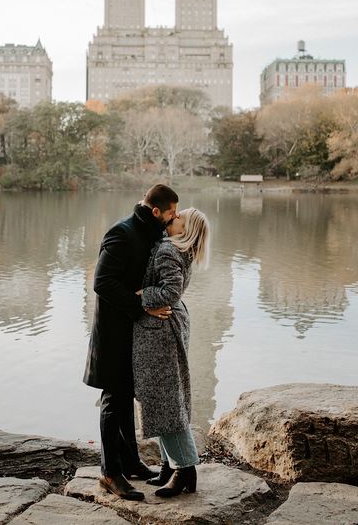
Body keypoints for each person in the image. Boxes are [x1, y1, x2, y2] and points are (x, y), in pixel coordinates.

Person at [83, 184, 179, 501]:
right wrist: (142, 306)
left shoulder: (153, 234)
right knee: (114, 399)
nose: (174, 218)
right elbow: (101, 282)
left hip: (133, 330)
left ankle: (131, 462)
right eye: (171, 213)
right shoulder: (121, 233)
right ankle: (110, 474)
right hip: (112, 332)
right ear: (155, 212)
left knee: (126, 397)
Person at [132, 207, 210, 498]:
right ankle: (168, 465)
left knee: (166, 399)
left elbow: (171, 292)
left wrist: (141, 296)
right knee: (164, 396)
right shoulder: (178, 248)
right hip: (168, 325)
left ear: (185, 228)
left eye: (179, 218)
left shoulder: (167, 250)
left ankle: (184, 469)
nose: (172, 219)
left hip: (161, 329)